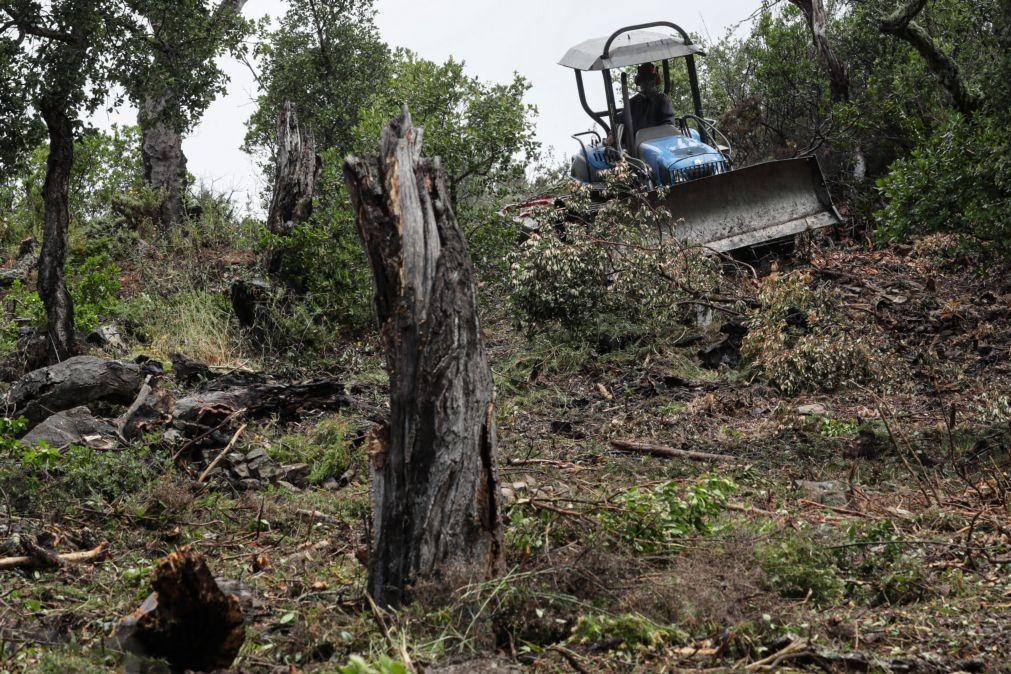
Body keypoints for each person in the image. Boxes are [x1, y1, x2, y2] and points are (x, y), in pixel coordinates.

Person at [628, 62, 677, 133]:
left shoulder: (662, 100)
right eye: (643, 79)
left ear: (655, 81)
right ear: (639, 81)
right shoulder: (632, 103)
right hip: (637, 142)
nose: (646, 82)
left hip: (659, 141)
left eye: (649, 78)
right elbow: (622, 121)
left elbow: (668, 124)